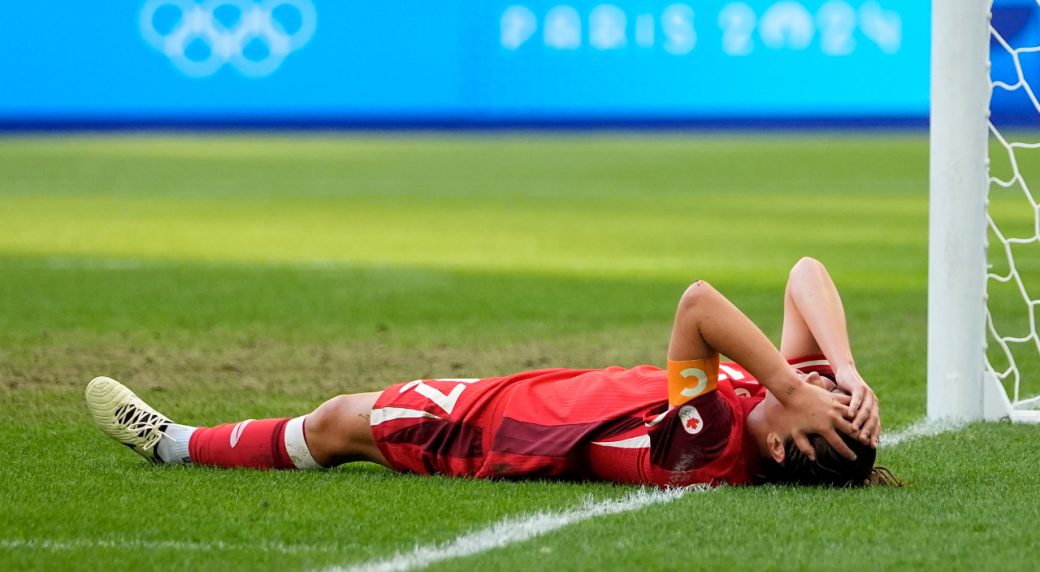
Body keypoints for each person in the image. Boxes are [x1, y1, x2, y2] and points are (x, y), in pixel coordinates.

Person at [86, 257, 889, 487]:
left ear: (782, 446)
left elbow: (698, 305)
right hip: (538, 396)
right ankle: (180, 442)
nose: (816, 387)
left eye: (821, 400)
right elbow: (806, 273)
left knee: (335, 424)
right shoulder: (780, 406)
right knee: (339, 421)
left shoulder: (706, 444)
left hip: (492, 431)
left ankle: (174, 444)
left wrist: (793, 385)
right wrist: (846, 371)